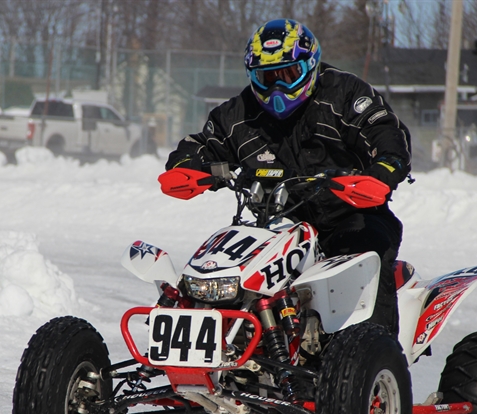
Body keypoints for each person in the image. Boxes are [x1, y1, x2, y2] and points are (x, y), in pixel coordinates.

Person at [166, 19, 412, 335]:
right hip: (278, 224)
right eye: (267, 78)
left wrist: (382, 172)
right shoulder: (239, 113)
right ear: (252, 76)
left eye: (288, 74)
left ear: (310, 66)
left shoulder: (344, 93)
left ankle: (377, 352)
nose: (277, 89)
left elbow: (385, 132)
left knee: (368, 257)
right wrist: (185, 167)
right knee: (229, 269)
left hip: (352, 216)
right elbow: (203, 144)